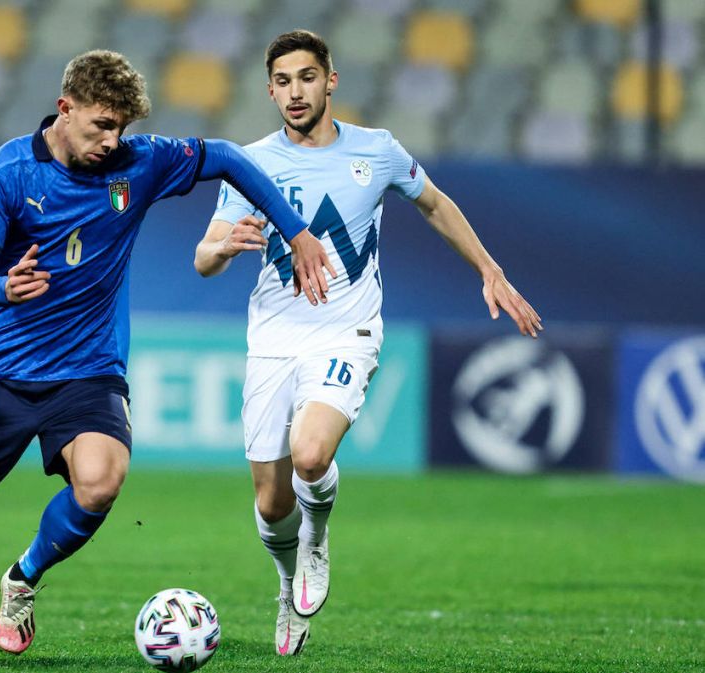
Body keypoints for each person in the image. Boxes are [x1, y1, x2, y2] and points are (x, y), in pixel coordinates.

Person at [0, 49, 336, 661]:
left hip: (88, 371)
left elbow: (228, 156)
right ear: (65, 108)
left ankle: (22, 578)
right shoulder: (7, 172)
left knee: (100, 483)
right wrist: (2, 287)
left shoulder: (138, 163)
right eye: (102, 125)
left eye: (121, 127)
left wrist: (296, 230)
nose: (112, 139)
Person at [194, 30, 542, 656]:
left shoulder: (377, 151)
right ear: (269, 89)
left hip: (346, 331)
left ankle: (318, 540)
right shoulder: (249, 162)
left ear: (330, 80)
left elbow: (434, 204)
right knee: (272, 504)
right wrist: (219, 247)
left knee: (310, 455)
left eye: (306, 77)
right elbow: (204, 258)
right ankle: (287, 581)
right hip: (273, 337)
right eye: (282, 81)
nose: (294, 91)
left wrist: (488, 269)